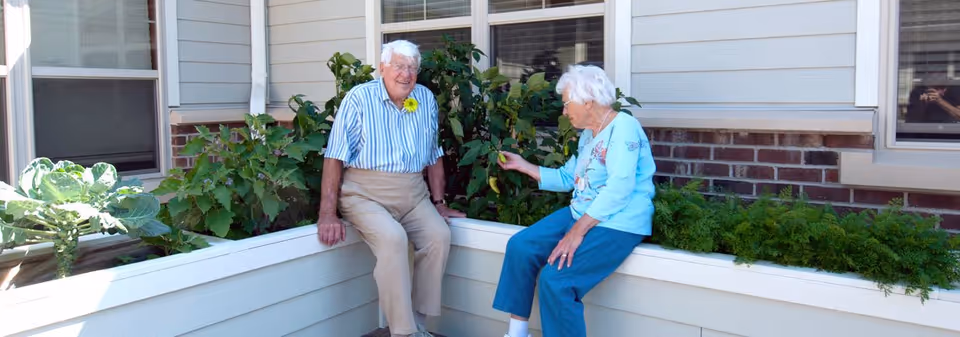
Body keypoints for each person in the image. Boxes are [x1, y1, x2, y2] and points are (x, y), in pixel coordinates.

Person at [491, 65, 656, 337]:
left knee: (557, 281)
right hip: (581, 212)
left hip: (617, 222)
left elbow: (619, 189)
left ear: (588, 101)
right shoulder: (589, 134)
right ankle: (517, 333)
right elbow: (570, 177)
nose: (564, 112)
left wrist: (576, 232)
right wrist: (524, 166)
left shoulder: (624, 128)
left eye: (567, 104)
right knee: (521, 246)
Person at [316, 39, 466, 337]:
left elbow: (433, 153)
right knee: (393, 238)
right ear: (383, 67)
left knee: (439, 235)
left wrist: (439, 202)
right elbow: (335, 155)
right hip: (364, 194)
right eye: (399, 66)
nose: (406, 74)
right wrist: (327, 213)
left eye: (412, 68)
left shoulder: (423, 98)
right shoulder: (359, 98)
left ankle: (419, 324)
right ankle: (403, 332)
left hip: (414, 194)